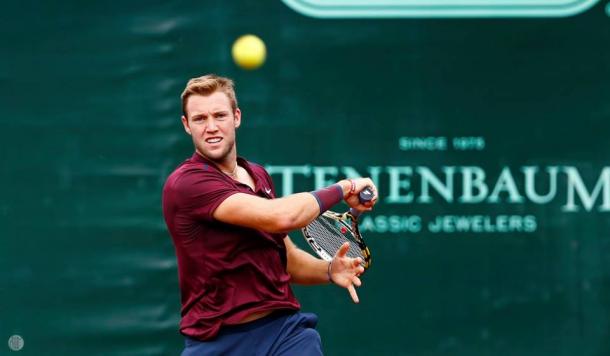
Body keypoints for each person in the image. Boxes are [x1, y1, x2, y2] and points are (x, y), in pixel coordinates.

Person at [162, 74, 378, 355]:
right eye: (200, 119)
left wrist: (328, 270)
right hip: (217, 342)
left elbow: (285, 258)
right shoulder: (187, 184)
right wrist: (344, 187)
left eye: (219, 115)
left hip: (284, 333)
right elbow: (282, 217)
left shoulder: (258, 175)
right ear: (186, 125)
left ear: (236, 117)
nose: (211, 127)